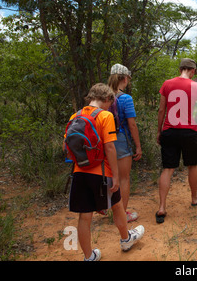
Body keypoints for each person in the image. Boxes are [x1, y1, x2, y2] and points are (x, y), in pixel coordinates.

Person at [64, 83, 144, 261]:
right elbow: (109, 148)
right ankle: (126, 239)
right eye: (110, 102)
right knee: (117, 205)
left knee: (84, 217)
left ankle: (89, 256)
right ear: (107, 99)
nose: (110, 106)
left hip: (79, 172)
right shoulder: (105, 116)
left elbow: (67, 147)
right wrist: (115, 176)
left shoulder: (75, 116)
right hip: (101, 172)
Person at [156, 59, 197, 224]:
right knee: (192, 165)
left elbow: (162, 109)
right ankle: (194, 198)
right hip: (189, 132)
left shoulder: (167, 84)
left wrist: (159, 131)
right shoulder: (196, 86)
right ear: (193, 71)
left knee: (168, 169)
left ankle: (162, 207)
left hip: (169, 131)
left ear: (180, 69)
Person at [107, 64, 142, 223]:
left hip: (103, 140)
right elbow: (132, 124)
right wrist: (138, 145)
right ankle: (122, 214)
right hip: (120, 140)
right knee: (123, 178)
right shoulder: (125, 98)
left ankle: (105, 206)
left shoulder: (102, 96)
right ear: (123, 78)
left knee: (108, 175)